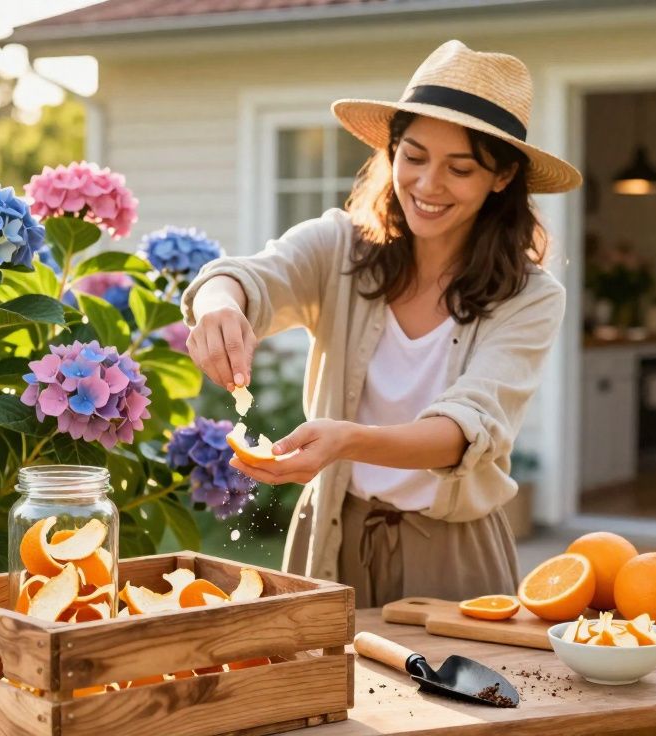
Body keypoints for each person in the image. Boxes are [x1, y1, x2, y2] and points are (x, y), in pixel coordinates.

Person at [180, 40, 582, 607]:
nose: (427, 184)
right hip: (331, 536)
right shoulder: (339, 246)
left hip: (454, 554)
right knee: (317, 695)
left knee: (453, 696)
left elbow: (464, 431)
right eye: (413, 157)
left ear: (502, 177)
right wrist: (220, 305)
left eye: (459, 168)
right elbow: (247, 277)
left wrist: (344, 441)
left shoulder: (530, 297)